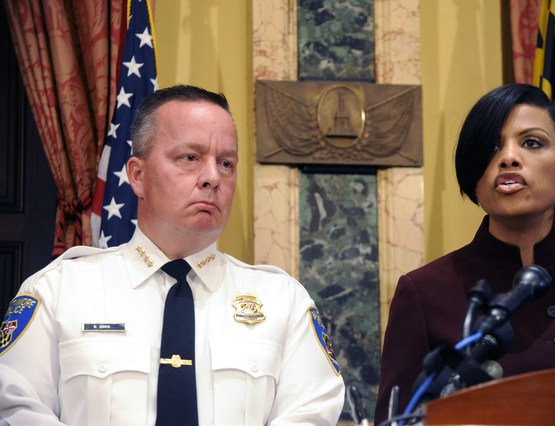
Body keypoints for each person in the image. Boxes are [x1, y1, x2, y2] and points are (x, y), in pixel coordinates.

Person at [0, 85, 345, 425]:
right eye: (190, 158)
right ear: (137, 175)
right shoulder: (59, 290)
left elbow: (310, 414)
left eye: (226, 163)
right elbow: (15, 410)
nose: (212, 177)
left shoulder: (282, 301)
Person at [374, 83, 555, 424]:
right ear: (474, 177)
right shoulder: (424, 291)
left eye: (531, 142)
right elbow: (398, 418)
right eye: (491, 147)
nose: (509, 157)